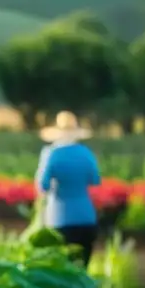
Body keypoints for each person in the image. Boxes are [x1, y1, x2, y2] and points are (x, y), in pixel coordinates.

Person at [36, 111, 101, 268]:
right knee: (83, 269)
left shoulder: (52, 154)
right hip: (86, 217)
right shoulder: (86, 153)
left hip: (60, 219)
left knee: (64, 270)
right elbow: (95, 180)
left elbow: (43, 186)